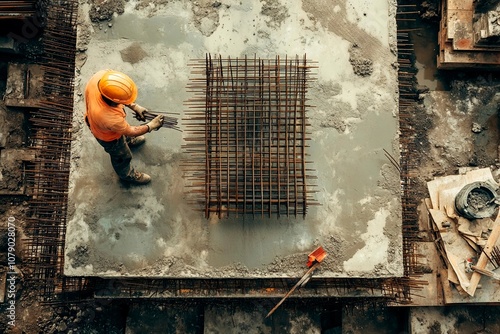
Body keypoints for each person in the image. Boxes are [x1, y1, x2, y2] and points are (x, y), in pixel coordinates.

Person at [84, 69, 164, 185]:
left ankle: (128, 141)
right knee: (122, 156)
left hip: (109, 126)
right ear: (114, 101)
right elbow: (131, 130)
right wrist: (151, 125)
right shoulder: (109, 118)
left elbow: (116, 93)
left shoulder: (101, 78)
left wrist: (135, 107)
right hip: (108, 137)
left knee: (122, 132)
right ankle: (127, 175)